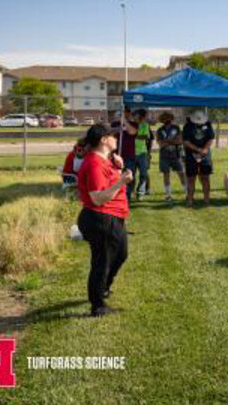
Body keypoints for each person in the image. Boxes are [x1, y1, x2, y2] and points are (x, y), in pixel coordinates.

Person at [76, 124, 133, 317]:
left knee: (121, 254)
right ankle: (97, 305)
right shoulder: (94, 163)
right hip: (100, 217)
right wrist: (121, 181)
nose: (116, 139)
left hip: (112, 217)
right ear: (103, 140)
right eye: (112, 136)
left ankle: (103, 287)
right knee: (102, 262)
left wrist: (119, 167)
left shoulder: (105, 161)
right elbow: (97, 197)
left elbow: (111, 182)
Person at [182, 110, 215, 207]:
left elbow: (210, 138)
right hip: (190, 154)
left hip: (205, 154)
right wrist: (198, 150)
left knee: (205, 177)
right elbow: (186, 141)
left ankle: (206, 200)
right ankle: (190, 200)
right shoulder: (187, 126)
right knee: (191, 178)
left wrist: (204, 149)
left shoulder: (208, 124)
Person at [156, 112, 186, 202]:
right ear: (162, 120)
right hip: (164, 155)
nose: (167, 120)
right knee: (166, 174)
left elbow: (180, 141)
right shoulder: (159, 130)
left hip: (176, 154)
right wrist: (173, 141)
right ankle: (168, 195)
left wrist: (167, 141)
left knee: (181, 173)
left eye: (168, 118)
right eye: (165, 118)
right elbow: (160, 144)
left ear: (171, 119)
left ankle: (187, 192)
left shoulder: (176, 128)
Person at [129, 109, 152, 201]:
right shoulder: (130, 125)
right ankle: (130, 192)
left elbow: (145, 137)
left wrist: (134, 135)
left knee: (143, 174)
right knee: (131, 175)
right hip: (130, 153)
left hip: (142, 153)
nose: (137, 118)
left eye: (139, 116)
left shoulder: (145, 125)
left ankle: (140, 193)